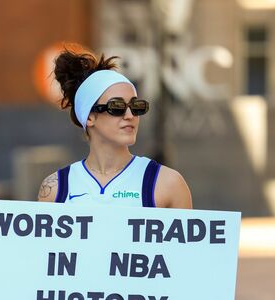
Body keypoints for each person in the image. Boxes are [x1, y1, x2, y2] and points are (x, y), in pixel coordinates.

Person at [38, 49, 192, 209]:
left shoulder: (169, 184)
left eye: (136, 106)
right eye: (116, 106)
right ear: (90, 117)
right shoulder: (55, 189)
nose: (129, 115)